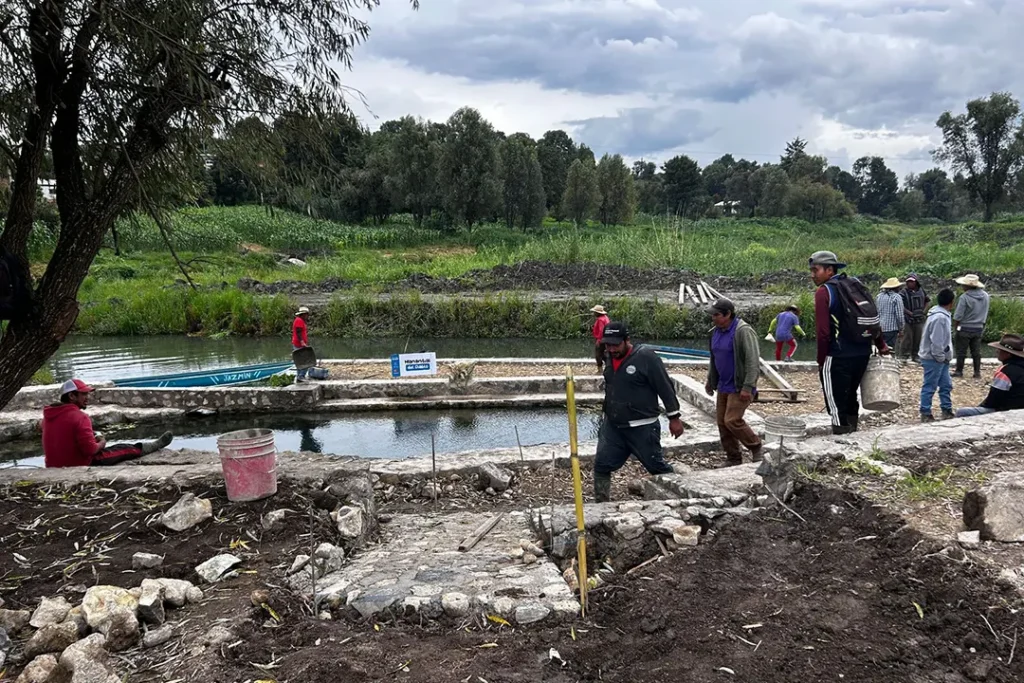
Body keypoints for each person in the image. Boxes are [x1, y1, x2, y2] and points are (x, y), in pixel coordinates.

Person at [594, 321, 684, 502]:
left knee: (656, 467)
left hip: (642, 426)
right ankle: (601, 504)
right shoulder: (609, 356)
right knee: (601, 465)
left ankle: (682, 493)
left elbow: (665, 388)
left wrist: (674, 418)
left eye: (615, 344)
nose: (611, 349)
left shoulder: (646, 358)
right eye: (608, 344)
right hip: (614, 425)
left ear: (627, 340)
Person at [809, 251, 890, 435]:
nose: (812, 275)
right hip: (862, 353)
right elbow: (872, 319)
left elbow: (823, 332)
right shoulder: (854, 284)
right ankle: (853, 434)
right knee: (851, 395)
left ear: (829, 270)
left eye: (816, 270)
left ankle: (841, 440)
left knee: (836, 403)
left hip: (837, 355)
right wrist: (881, 345)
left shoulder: (824, 292)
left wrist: (822, 360)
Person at [42, 379, 172, 468]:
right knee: (121, 449)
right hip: (80, 464)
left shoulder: (48, 416)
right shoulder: (80, 417)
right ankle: (150, 446)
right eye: (83, 394)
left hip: (53, 465)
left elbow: (64, 433)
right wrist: (102, 442)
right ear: (72, 396)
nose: (87, 398)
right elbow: (90, 450)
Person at [704, 298, 762, 466]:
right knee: (722, 423)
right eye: (712, 315)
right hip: (723, 384)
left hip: (739, 386)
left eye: (716, 315)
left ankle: (755, 446)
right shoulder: (715, 332)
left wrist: (748, 386)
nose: (713, 318)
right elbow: (714, 358)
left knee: (732, 420)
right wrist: (710, 380)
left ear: (728, 314)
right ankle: (733, 457)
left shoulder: (743, 331)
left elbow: (752, 361)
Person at [956, 334, 1024, 417]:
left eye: (999, 350)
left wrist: (979, 407)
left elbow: (992, 401)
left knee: (961, 412)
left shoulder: (1005, 372)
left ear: (1008, 354)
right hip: (1020, 408)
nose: (997, 351)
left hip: (1006, 411)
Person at [919, 289, 956, 422]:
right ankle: (925, 412)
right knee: (930, 386)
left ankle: (946, 409)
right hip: (934, 358)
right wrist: (940, 357)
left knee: (946, 385)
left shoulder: (938, 314)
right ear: (951, 302)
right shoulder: (940, 318)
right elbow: (937, 341)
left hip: (940, 358)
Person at [952, 274, 990, 379]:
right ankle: (977, 372)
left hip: (964, 327)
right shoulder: (986, 296)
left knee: (961, 351)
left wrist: (956, 327)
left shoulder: (964, 297)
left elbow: (958, 316)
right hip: (978, 327)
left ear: (967, 286)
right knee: (976, 351)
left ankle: (959, 371)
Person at [900, 274, 929, 362]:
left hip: (919, 318)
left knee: (918, 337)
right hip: (908, 319)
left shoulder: (922, 291)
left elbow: (927, 301)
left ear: (916, 282)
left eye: (911, 282)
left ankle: (916, 355)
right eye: (908, 282)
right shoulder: (903, 292)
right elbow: (900, 305)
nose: (910, 283)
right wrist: (909, 313)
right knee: (907, 337)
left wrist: (924, 311)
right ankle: (904, 355)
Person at [876, 277, 905, 350]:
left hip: (880, 327)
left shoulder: (879, 296)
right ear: (895, 287)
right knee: (890, 349)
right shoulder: (896, 297)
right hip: (891, 329)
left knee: (881, 349)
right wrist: (901, 328)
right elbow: (899, 315)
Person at [292, 305, 311, 382]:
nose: (307, 316)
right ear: (303, 314)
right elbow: (298, 332)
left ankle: (300, 376)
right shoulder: (299, 320)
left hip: (299, 343)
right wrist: (302, 341)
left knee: (300, 361)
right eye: (306, 314)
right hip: (299, 344)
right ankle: (301, 376)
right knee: (305, 361)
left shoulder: (300, 320)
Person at [590, 305, 611, 371]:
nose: (594, 313)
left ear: (597, 313)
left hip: (601, 339)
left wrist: (599, 340)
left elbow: (601, 331)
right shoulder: (605, 318)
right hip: (607, 338)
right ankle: (609, 366)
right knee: (605, 353)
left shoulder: (600, 320)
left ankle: (600, 368)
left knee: (598, 354)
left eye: (594, 312)